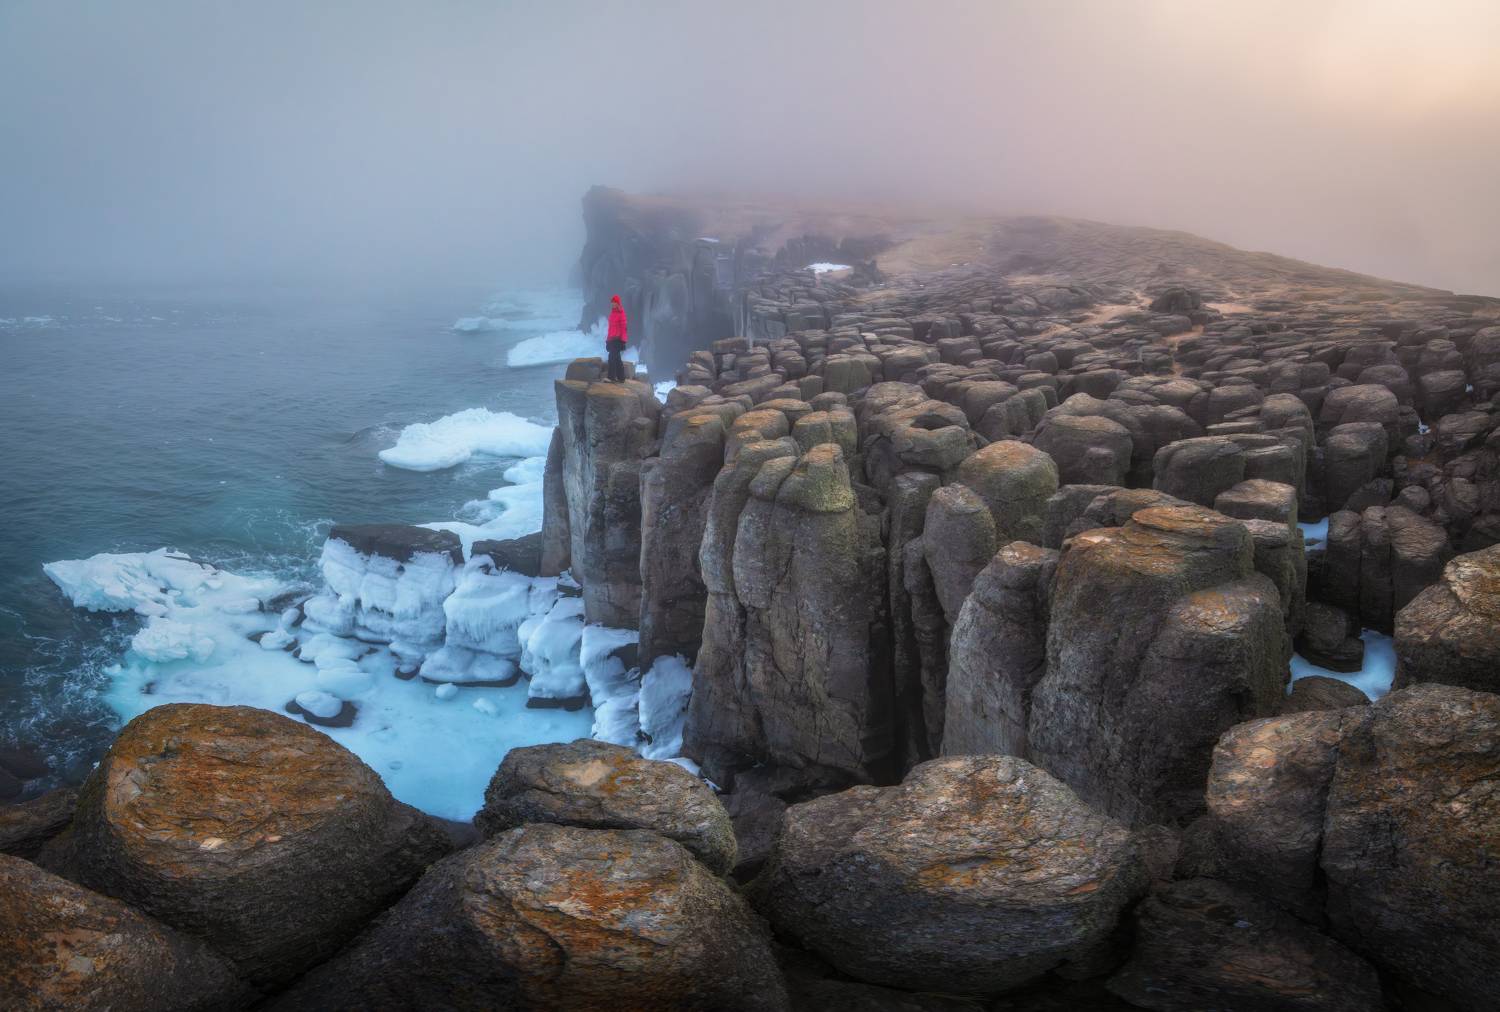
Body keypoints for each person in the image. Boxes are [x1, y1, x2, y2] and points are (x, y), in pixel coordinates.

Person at [605, 294, 627, 382]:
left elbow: (624, 328)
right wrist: (607, 341)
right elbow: (610, 329)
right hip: (612, 339)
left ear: (618, 303)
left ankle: (611, 377)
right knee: (617, 358)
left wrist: (623, 341)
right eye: (612, 302)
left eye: (614, 302)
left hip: (618, 339)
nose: (613, 304)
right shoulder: (612, 313)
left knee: (611, 357)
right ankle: (621, 378)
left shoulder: (621, 313)